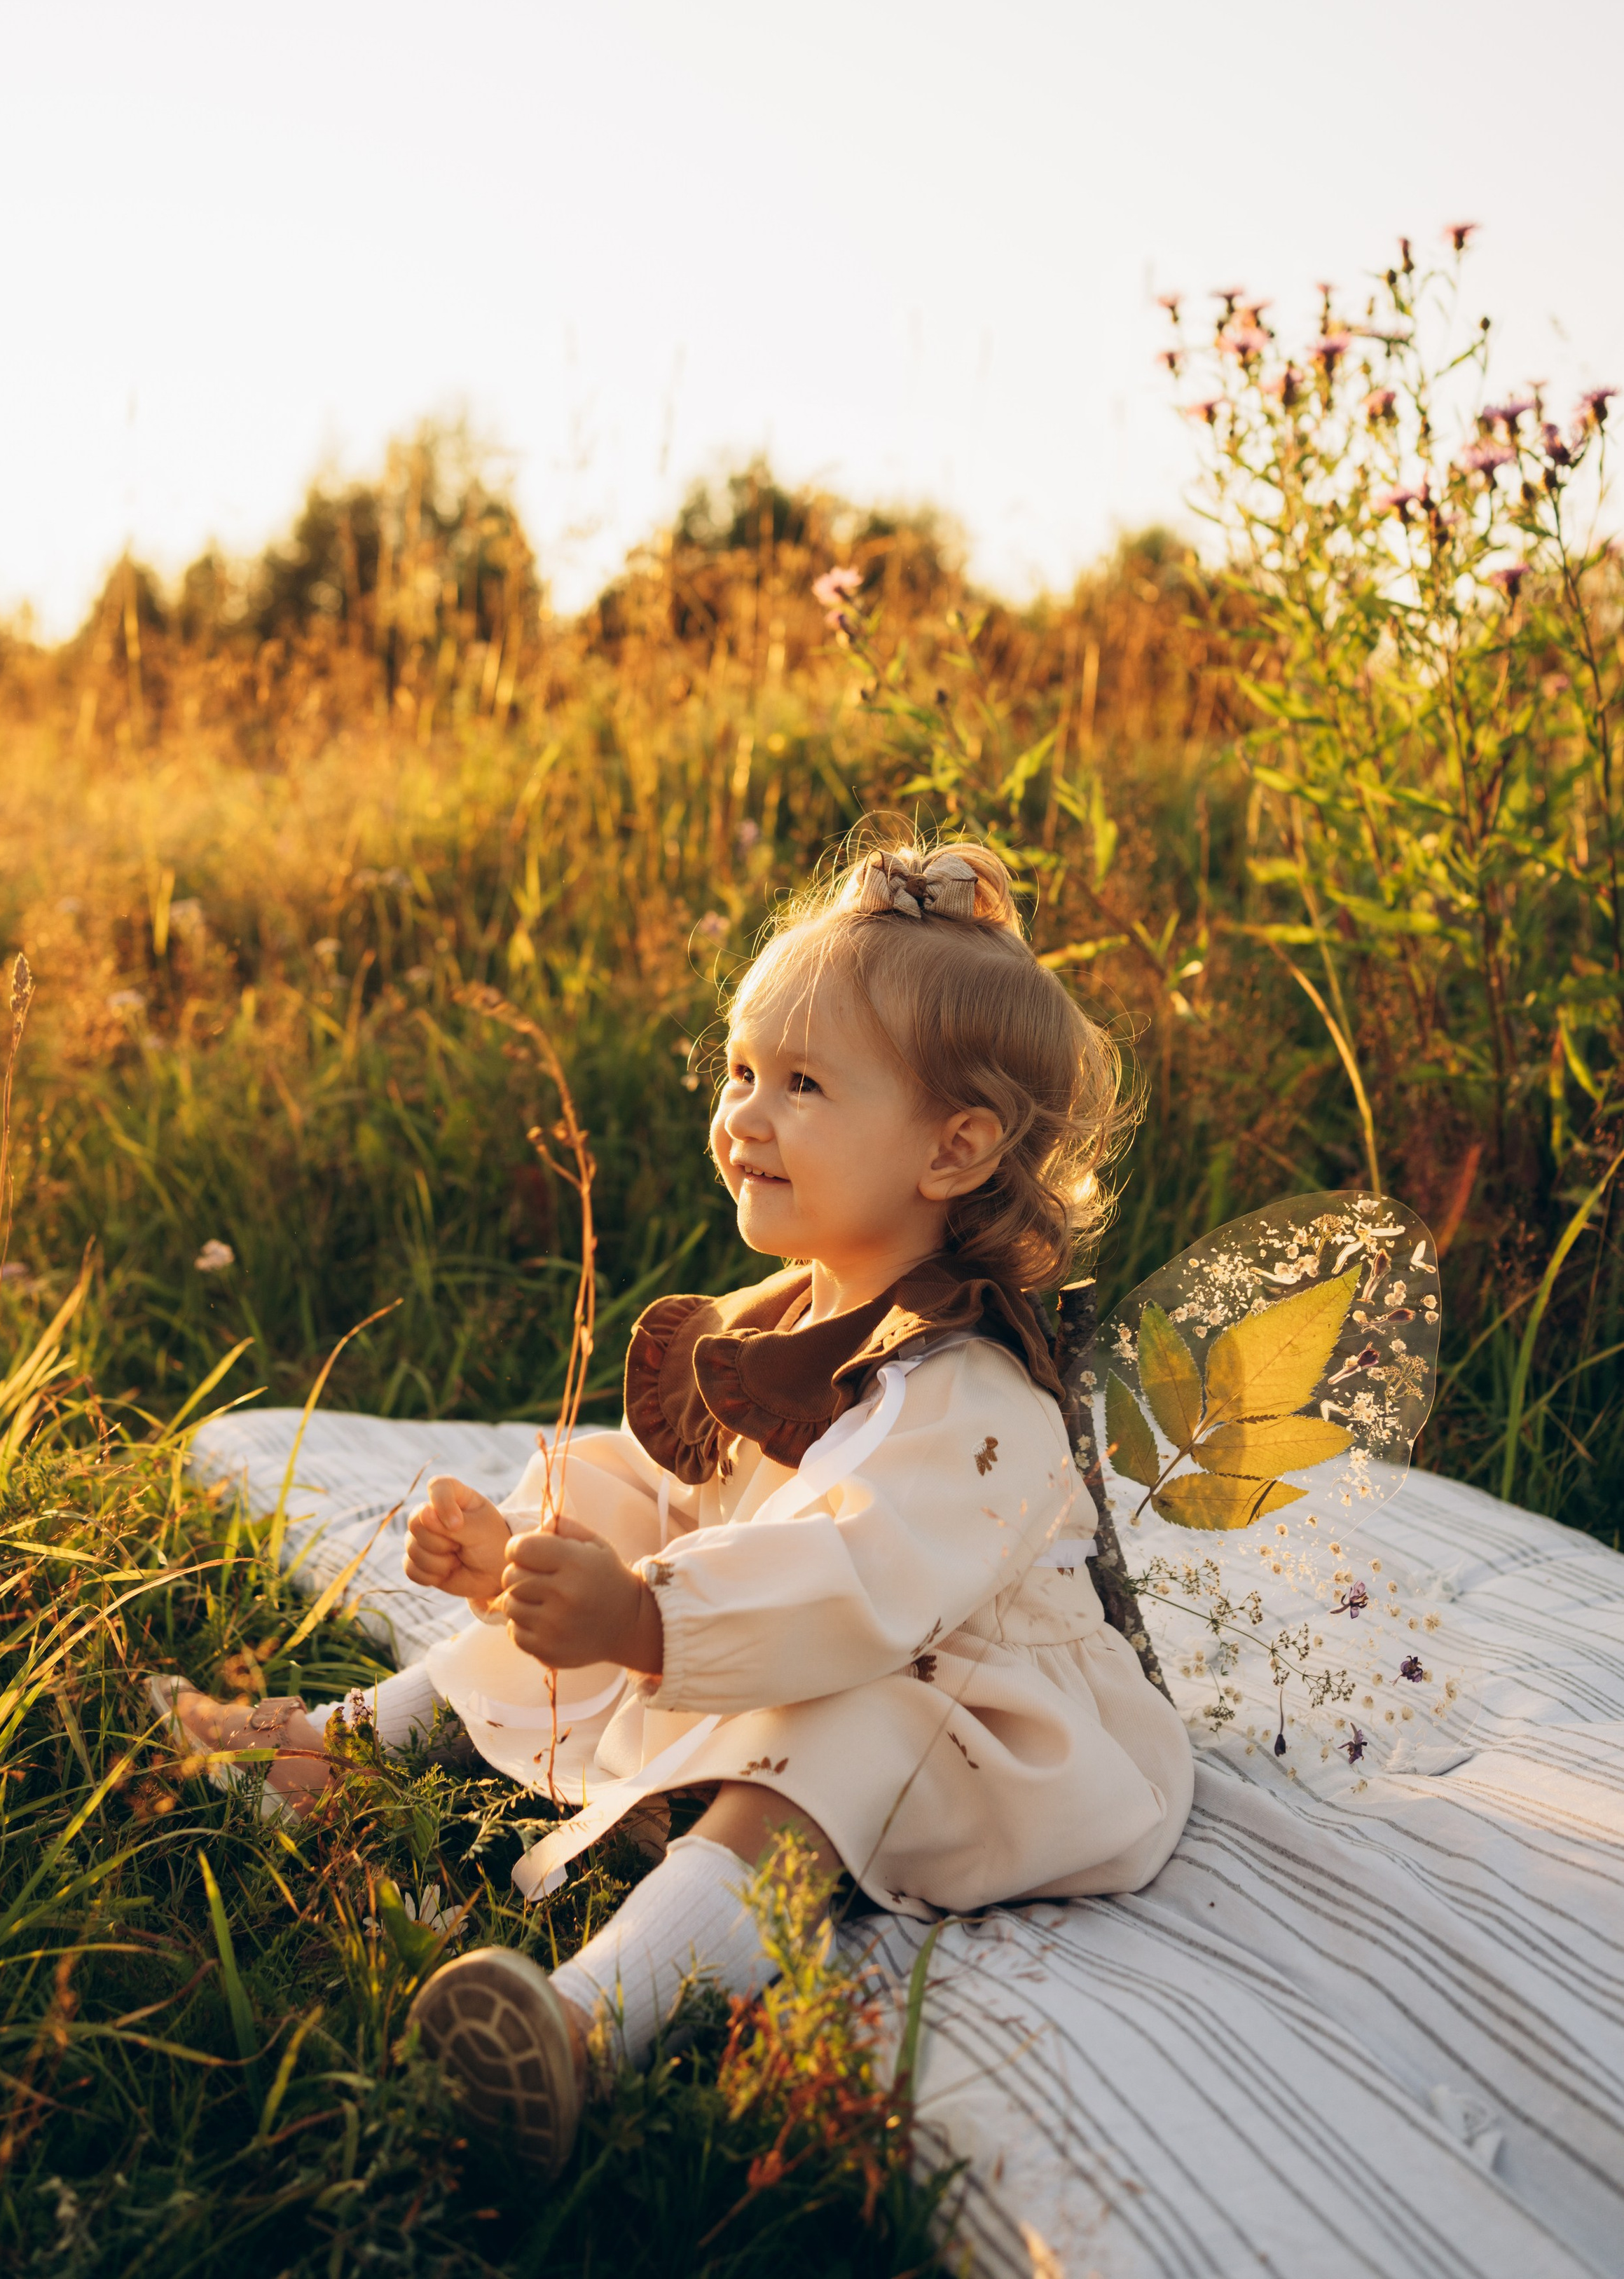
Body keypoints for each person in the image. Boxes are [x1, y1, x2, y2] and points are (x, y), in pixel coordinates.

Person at [156, 841, 1194, 2175]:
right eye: (742, 1070)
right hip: (788, 1629)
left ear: (955, 1148)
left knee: (834, 1737)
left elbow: (861, 1581)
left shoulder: (974, 1392)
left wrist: (641, 1616)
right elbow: (687, 1491)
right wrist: (529, 1560)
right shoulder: (796, 1312)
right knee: (605, 1502)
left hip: (981, 1713)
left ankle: (587, 2021)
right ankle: (332, 1751)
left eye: (805, 1085)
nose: (745, 1116)